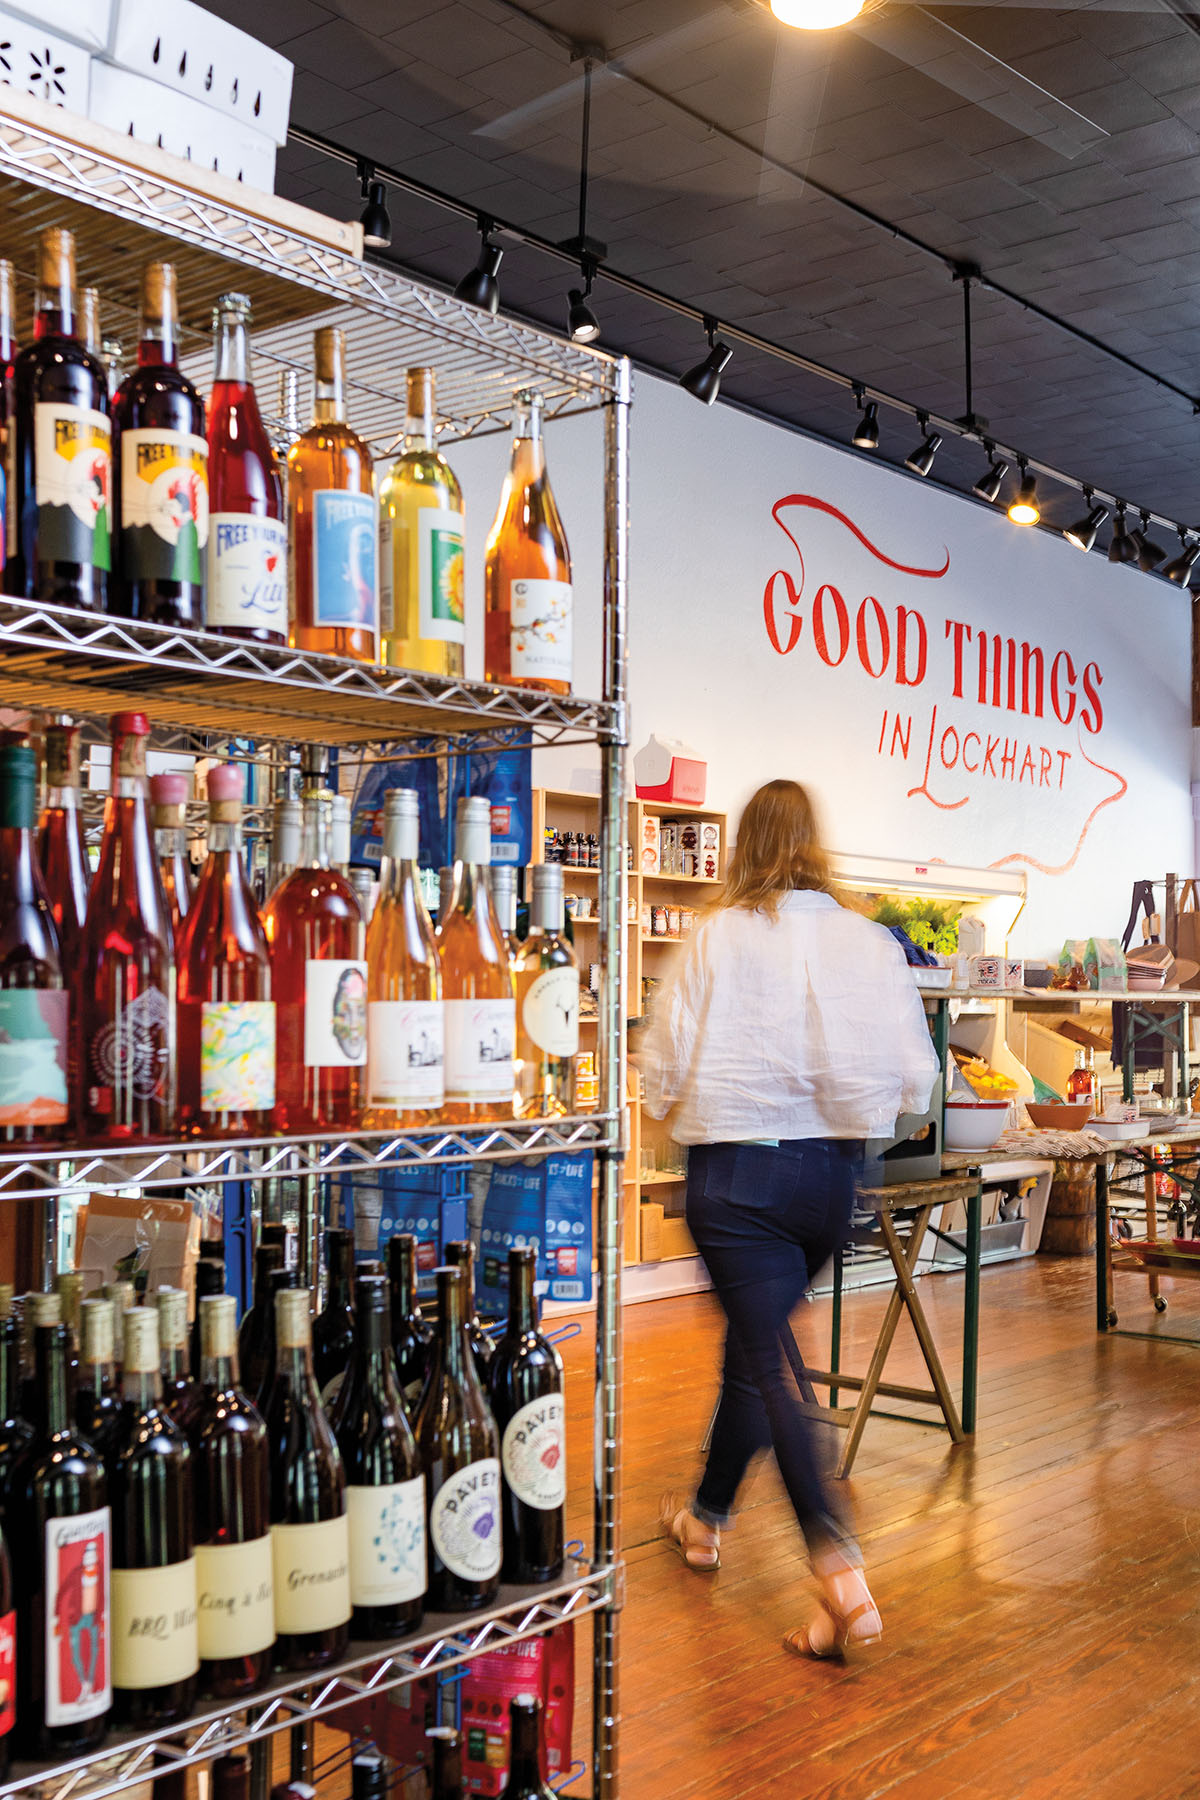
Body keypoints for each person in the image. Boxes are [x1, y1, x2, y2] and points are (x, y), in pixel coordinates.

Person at [640, 779, 938, 1658]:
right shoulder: (869, 942)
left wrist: (670, 1110)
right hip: (830, 1185)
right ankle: (704, 1518)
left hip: (737, 1179)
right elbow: (915, 1081)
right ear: (814, 842)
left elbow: (663, 1065)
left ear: (743, 846)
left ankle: (839, 1570)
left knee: (771, 1362)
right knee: (754, 1344)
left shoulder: (716, 936)